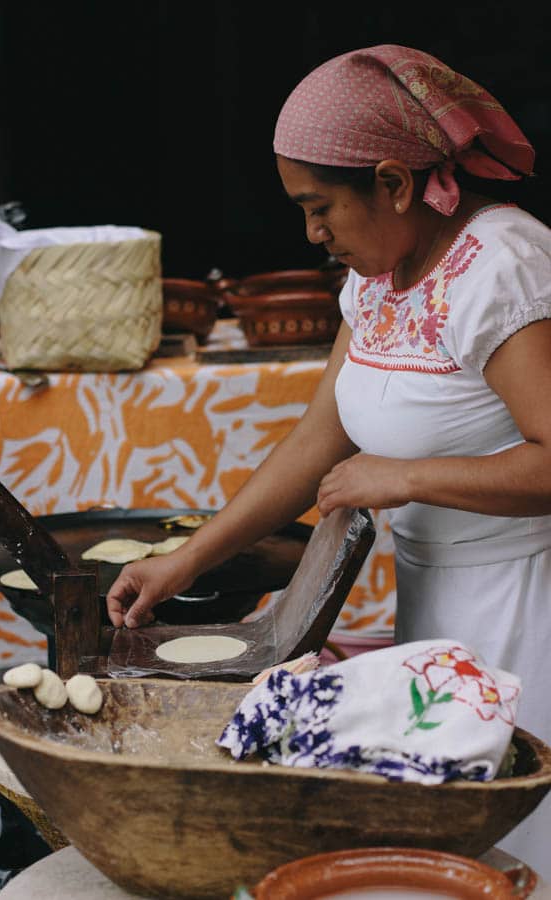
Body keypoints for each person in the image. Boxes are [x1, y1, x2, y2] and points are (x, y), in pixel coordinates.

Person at [107, 45, 551, 877]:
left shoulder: (502, 267)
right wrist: (187, 558)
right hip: (442, 602)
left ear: (392, 183)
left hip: (530, 608)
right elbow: (321, 437)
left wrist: (406, 476)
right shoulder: (376, 278)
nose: (313, 234)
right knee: (445, 839)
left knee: (518, 841)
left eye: (320, 208)